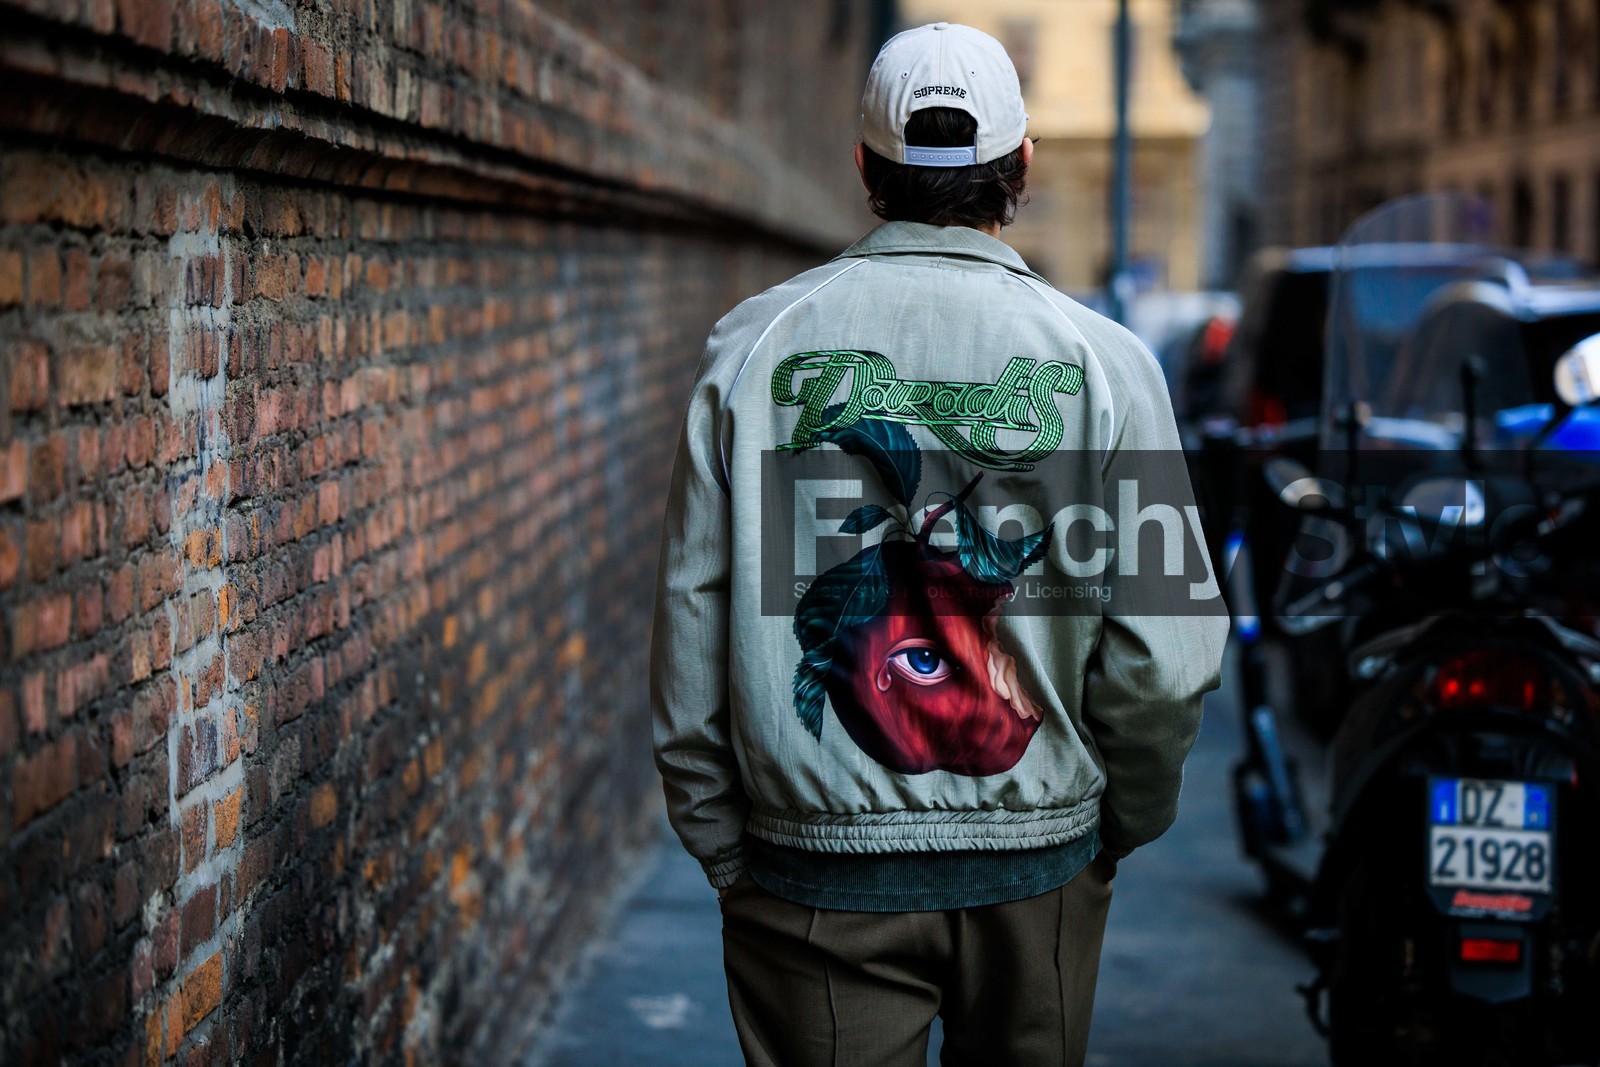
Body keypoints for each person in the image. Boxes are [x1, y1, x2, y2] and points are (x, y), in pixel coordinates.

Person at [651, 22, 1227, 1067]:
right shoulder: (1110, 364)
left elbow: (695, 607)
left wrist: (723, 842)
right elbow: (1165, 656)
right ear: (1023, 166)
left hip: (811, 872)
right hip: (1039, 866)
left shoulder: (752, 348)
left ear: (864, 166)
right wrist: (1111, 825)